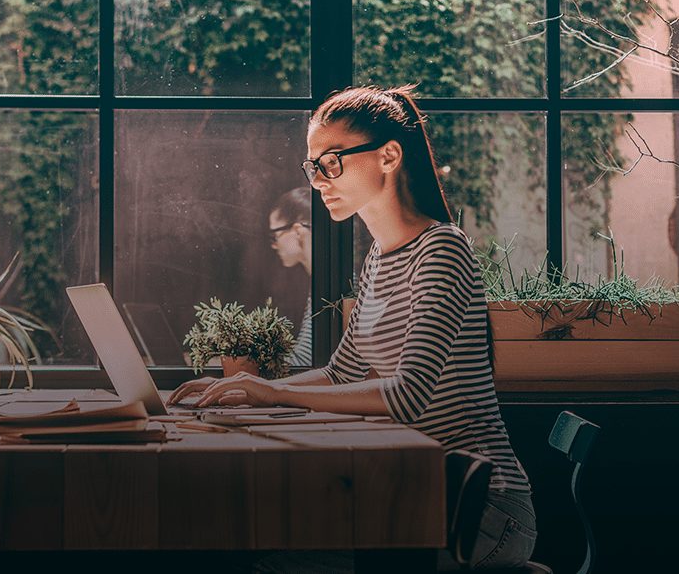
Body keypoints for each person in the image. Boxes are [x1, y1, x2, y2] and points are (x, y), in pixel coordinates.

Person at [170, 85, 537, 569]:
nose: (319, 179)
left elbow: (407, 397)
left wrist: (272, 394)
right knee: (257, 538)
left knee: (270, 561)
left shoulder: (442, 250)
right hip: (417, 491)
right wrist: (248, 387)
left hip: (480, 509)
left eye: (332, 161)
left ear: (388, 156)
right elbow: (342, 372)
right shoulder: (379, 260)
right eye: (313, 165)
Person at [268, 187, 313, 369]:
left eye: (275, 235)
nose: (274, 245)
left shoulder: (333, 287)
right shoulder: (320, 284)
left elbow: (305, 362)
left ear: (297, 230)